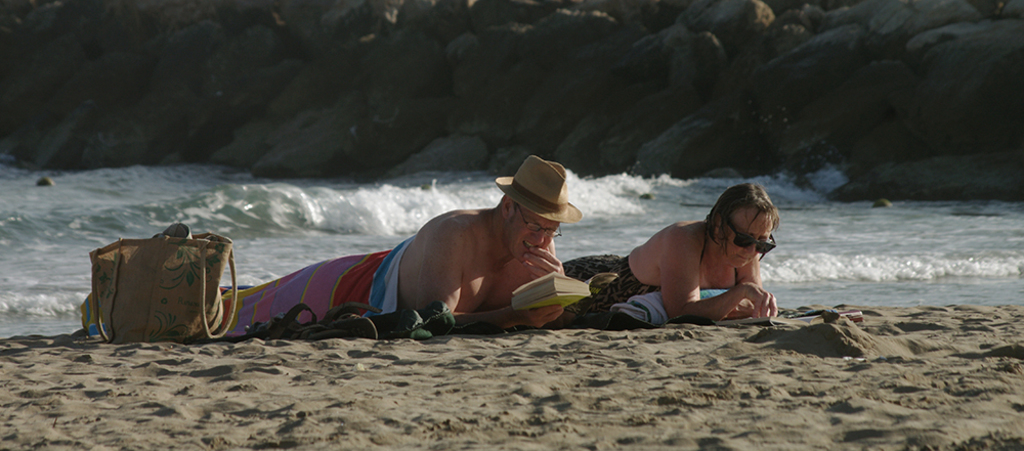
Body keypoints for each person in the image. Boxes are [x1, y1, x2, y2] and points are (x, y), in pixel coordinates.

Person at [222, 155, 582, 335]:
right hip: (357, 285)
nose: (542, 239)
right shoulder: (455, 235)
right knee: (243, 309)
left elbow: (557, 318)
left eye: (552, 230)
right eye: (535, 225)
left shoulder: (538, 246)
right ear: (507, 207)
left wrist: (559, 293)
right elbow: (435, 323)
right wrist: (516, 316)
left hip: (384, 273)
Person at [563, 183, 778, 324]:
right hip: (600, 281)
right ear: (718, 224)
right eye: (744, 239)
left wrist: (730, 299)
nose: (752, 251)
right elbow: (681, 313)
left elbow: (753, 306)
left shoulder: (747, 248)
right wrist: (737, 294)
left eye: (762, 245)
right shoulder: (684, 239)